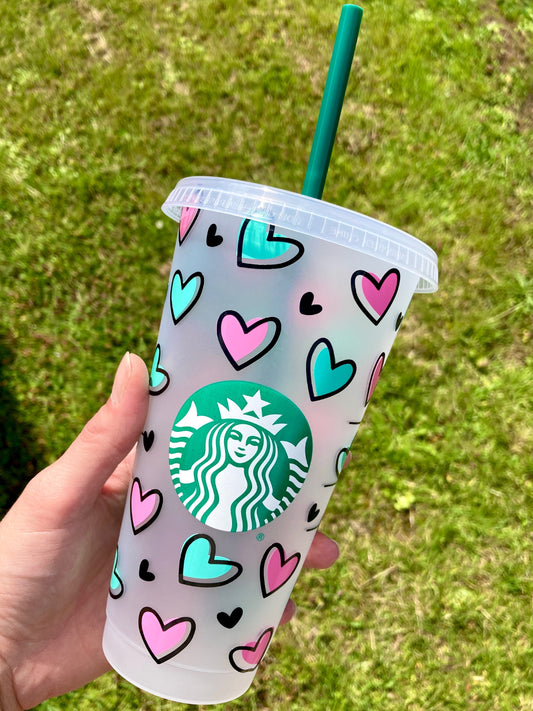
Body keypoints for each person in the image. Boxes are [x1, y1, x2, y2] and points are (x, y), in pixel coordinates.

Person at [0, 353, 341, 710]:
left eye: (254, 442)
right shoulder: (201, 477)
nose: (243, 445)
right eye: (236, 435)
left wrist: (9, 656)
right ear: (219, 437)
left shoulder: (259, 492)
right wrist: (7, 648)